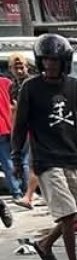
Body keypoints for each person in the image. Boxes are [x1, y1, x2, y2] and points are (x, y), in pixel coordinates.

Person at [11, 34, 77, 260]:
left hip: (72, 157)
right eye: (46, 60)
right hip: (47, 161)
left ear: (64, 62)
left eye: (55, 60)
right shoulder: (30, 87)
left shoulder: (73, 87)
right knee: (67, 214)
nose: (50, 65)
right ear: (40, 61)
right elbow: (20, 127)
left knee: (75, 215)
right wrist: (17, 159)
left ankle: (44, 243)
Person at [8, 53, 36, 209]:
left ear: (27, 67)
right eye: (15, 67)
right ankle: (29, 194)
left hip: (36, 126)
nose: (19, 70)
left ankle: (29, 194)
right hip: (22, 127)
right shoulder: (13, 86)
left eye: (21, 67)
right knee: (25, 160)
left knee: (30, 161)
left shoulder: (32, 83)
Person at [0, 73, 24, 202]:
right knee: (8, 161)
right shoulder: (6, 82)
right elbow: (15, 102)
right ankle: (17, 191)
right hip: (6, 126)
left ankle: (17, 190)